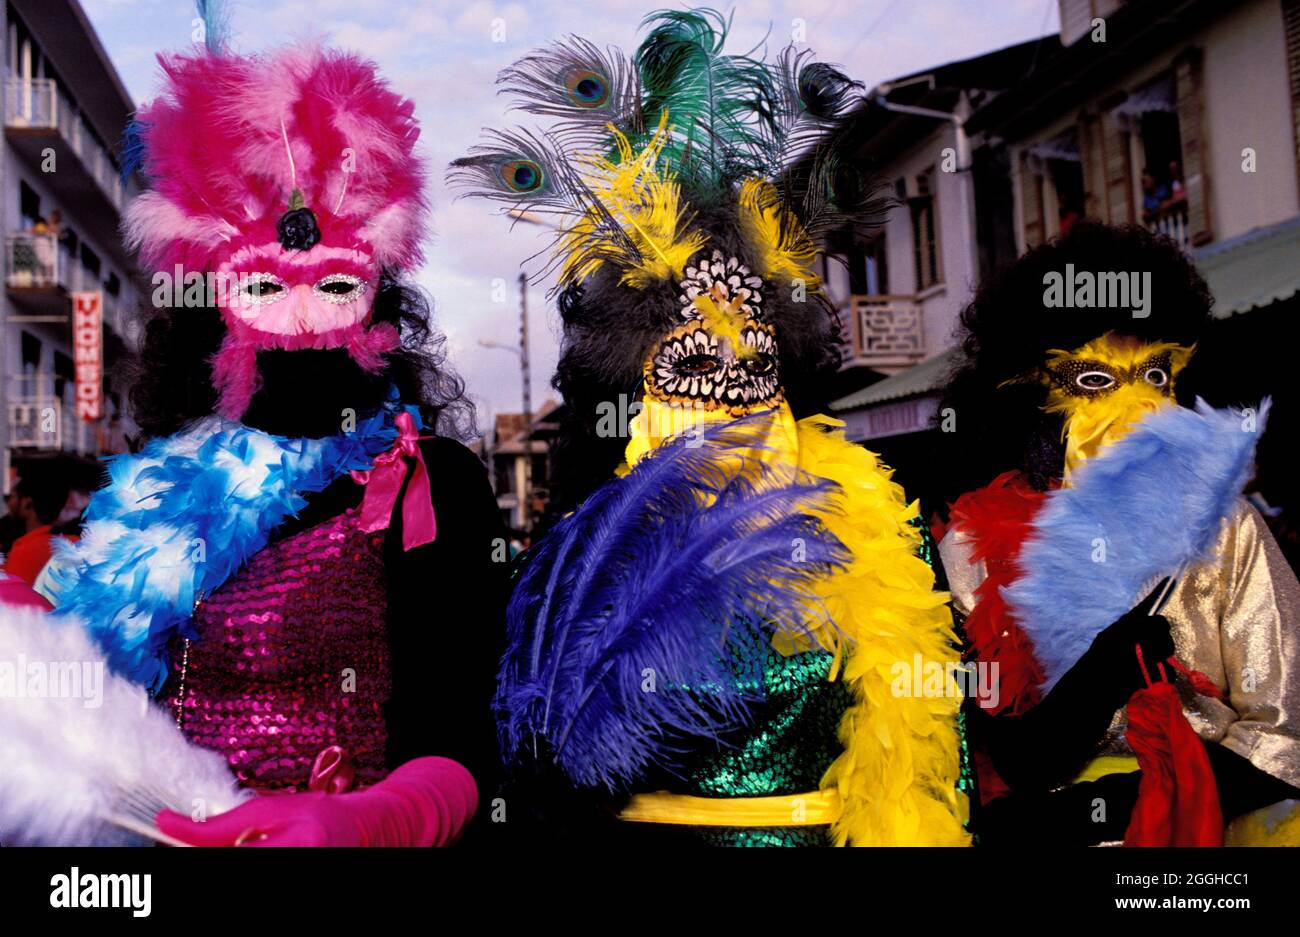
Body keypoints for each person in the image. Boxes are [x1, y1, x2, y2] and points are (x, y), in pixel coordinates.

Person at [453, 8, 969, 846]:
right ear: (640, 387)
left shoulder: (877, 528)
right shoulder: (582, 564)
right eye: (697, 369)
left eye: (756, 368)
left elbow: (937, 756)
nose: (733, 402)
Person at [2, 10, 507, 847]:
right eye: (266, 287)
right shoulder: (155, 491)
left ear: (378, 296)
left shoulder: (424, 481)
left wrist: (372, 818)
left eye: (335, 283)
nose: (302, 312)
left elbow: (464, 734)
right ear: (212, 307)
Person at [935, 222, 1300, 846]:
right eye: (1096, 381)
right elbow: (997, 754)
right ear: (1030, 394)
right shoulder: (971, 549)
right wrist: (1100, 676)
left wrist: (1117, 806)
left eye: (1155, 376)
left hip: (1209, 836)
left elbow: (1283, 735)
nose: (1135, 408)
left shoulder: (1228, 529)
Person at [1, 471, 71, 585]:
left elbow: (12, 601)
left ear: (27, 503)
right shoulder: (74, 543)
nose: (9, 505)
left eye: (12, 497)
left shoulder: (23, 552)